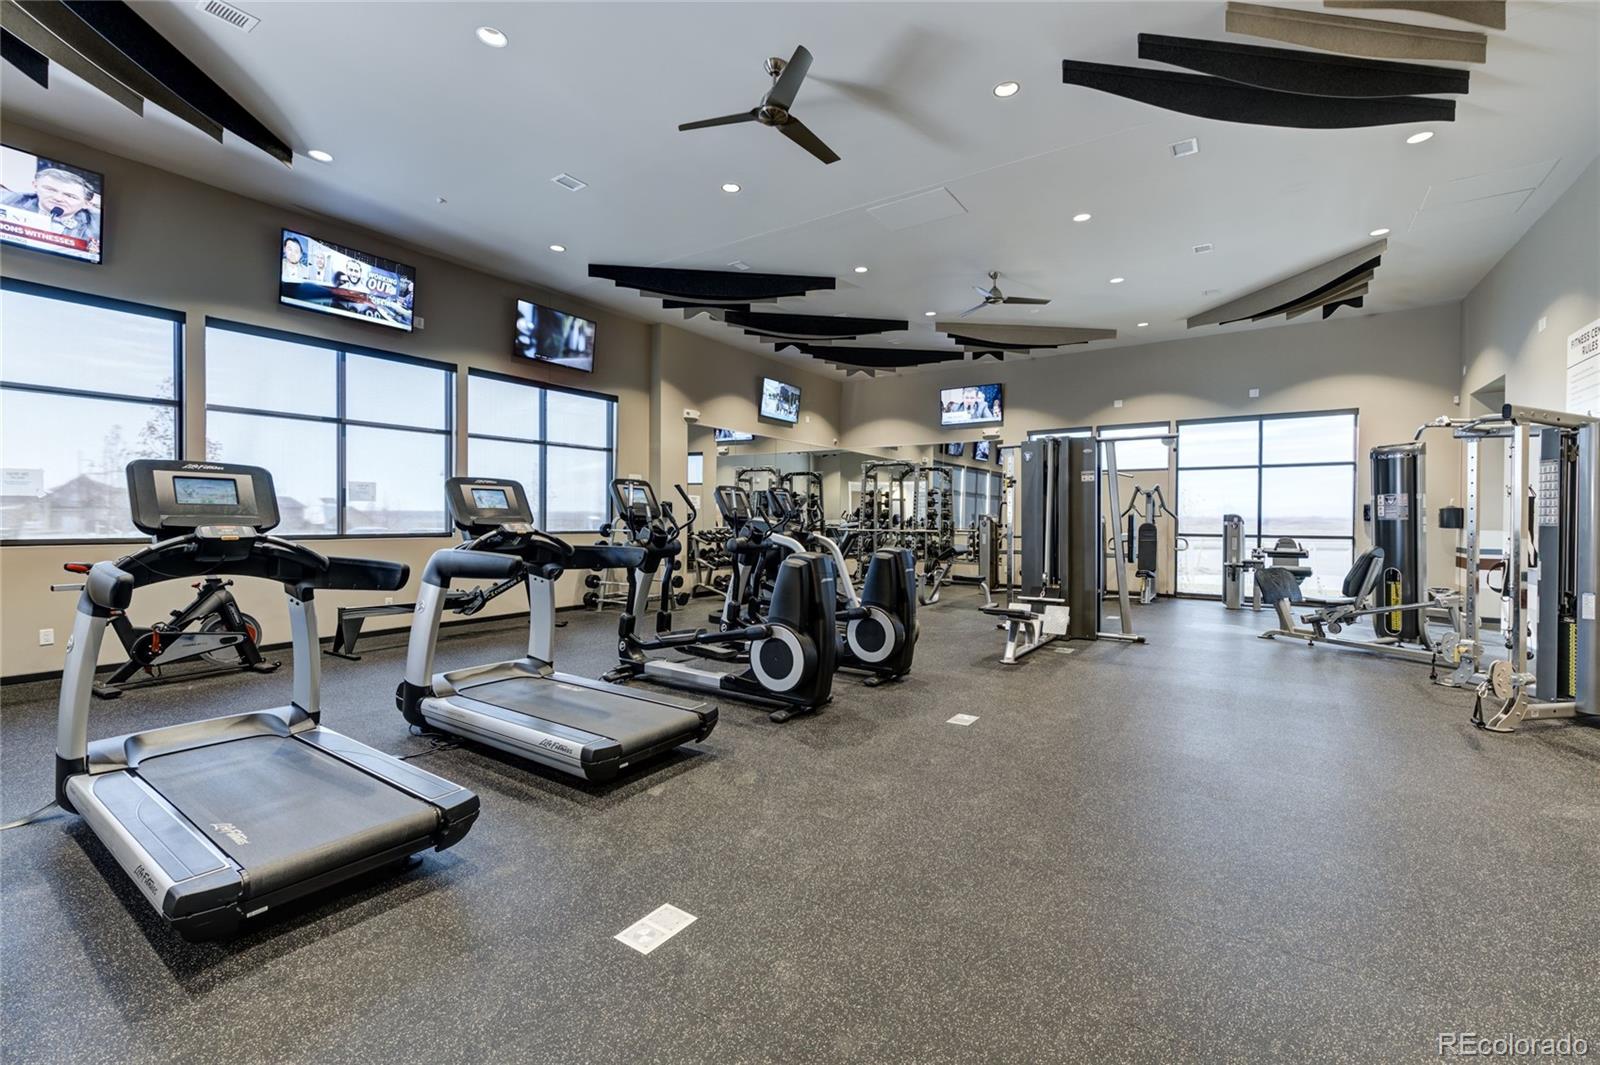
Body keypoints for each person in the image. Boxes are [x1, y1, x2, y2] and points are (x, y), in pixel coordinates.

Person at [0, 165, 99, 243]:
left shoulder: (97, 223)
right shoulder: (7, 200)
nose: (58, 198)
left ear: (86, 204)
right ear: (35, 186)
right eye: (50, 190)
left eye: (70, 196)